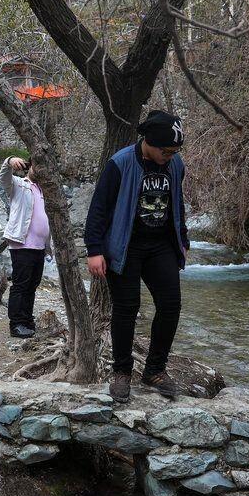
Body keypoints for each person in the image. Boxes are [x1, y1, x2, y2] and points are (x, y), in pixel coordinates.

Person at [84, 110, 190, 403]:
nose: (170, 155)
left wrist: (183, 237)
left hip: (162, 246)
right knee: (126, 308)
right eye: (166, 150)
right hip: (125, 246)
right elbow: (99, 210)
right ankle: (122, 373)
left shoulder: (174, 164)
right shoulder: (120, 164)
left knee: (171, 305)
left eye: (174, 151)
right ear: (149, 141)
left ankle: (155, 370)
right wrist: (94, 250)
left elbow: (176, 203)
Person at [0, 156, 51, 339]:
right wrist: (9, 161)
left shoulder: (45, 190)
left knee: (32, 285)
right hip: (22, 244)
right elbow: (3, 176)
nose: (40, 170)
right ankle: (17, 324)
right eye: (37, 166)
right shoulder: (18, 185)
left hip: (39, 246)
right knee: (21, 285)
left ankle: (27, 320)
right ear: (30, 166)